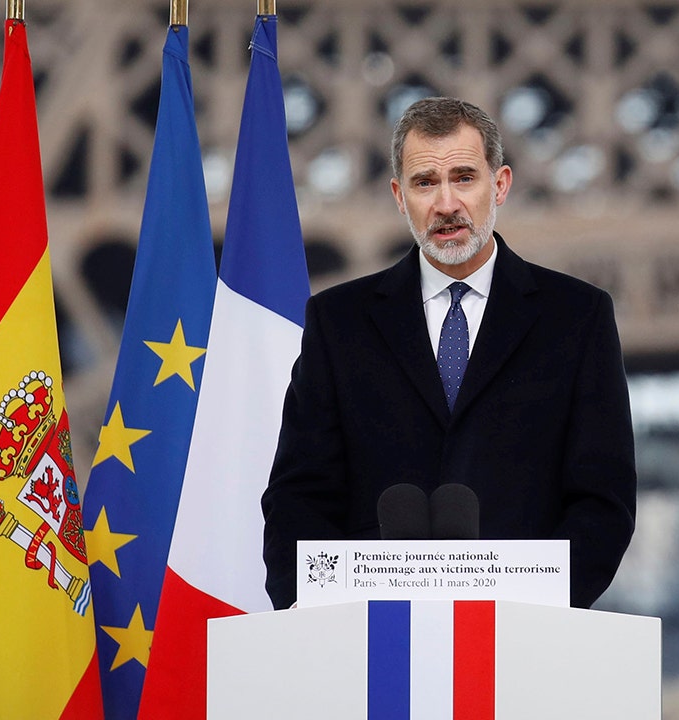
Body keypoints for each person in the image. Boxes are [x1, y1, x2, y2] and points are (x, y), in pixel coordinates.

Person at [261, 97, 636, 609]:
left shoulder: (577, 317)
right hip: (370, 632)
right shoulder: (337, 321)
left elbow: (603, 498)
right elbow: (299, 496)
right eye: (424, 183)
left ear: (499, 184)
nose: (446, 203)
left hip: (521, 629)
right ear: (399, 196)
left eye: (464, 178)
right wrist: (317, 615)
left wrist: (542, 609)